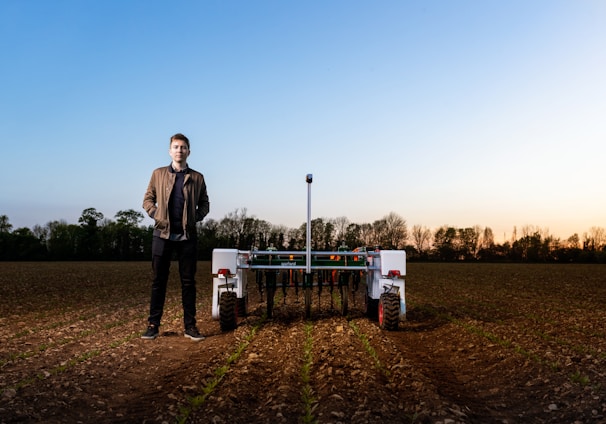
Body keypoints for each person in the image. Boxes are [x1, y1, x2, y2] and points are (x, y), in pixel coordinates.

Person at [141, 133, 209, 341]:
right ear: (170, 151)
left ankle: (190, 327)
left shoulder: (197, 177)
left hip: (187, 237)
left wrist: (192, 219)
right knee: (158, 281)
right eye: (176, 147)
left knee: (188, 282)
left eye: (183, 147)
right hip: (162, 235)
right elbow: (147, 200)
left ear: (189, 151)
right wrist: (156, 214)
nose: (179, 150)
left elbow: (205, 204)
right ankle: (153, 325)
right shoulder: (158, 173)